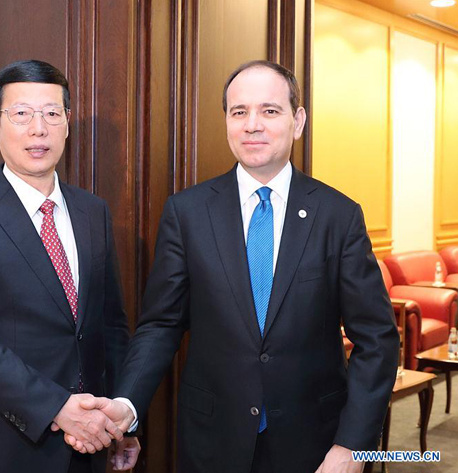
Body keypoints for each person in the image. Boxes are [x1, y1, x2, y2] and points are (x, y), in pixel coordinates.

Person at [69, 60, 400, 472]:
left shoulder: (338, 215)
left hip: (316, 445)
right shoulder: (187, 212)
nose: (252, 124)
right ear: (226, 121)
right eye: (239, 112)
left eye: (270, 110)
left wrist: (352, 446)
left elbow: (378, 340)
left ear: (298, 121)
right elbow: (161, 325)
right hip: (211, 441)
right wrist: (127, 404)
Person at [0, 59, 140, 473]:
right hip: (0, 447)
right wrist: (58, 407)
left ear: (67, 122)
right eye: (21, 113)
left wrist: (121, 422)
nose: (38, 129)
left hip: (90, 445)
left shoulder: (93, 212)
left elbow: (112, 327)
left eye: (51, 114)